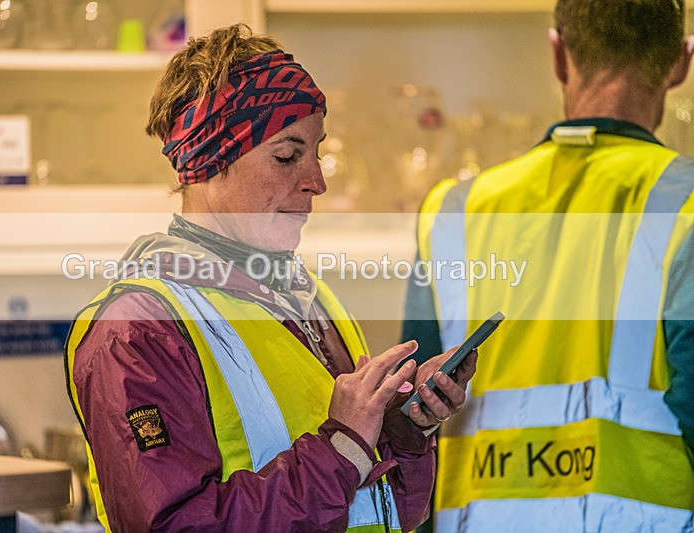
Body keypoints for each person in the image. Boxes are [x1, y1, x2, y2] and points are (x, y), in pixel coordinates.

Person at [65, 24, 477, 532]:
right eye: (287, 155)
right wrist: (343, 446)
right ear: (208, 161)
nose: (318, 181)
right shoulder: (136, 330)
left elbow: (389, 513)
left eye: (317, 151)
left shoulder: (311, 299)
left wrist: (402, 429)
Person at [402, 0, 694, 531]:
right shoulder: (686, 204)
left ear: (558, 54)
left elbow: (413, 425)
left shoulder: (453, 212)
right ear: (681, 62)